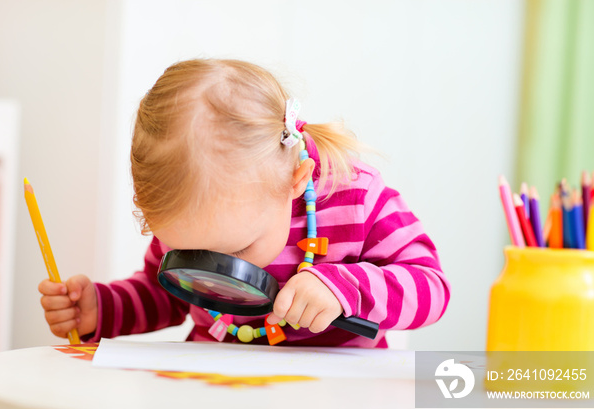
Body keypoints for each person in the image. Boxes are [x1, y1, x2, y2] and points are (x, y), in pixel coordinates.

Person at [38, 58, 450, 348]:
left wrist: (347, 288)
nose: (214, 268)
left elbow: (432, 288)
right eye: (190, 254)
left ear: (295, 181)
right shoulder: (196, 215)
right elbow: (165, 294)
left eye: (237, 252)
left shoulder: (354, 196)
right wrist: (100, 309)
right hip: (217, 404)